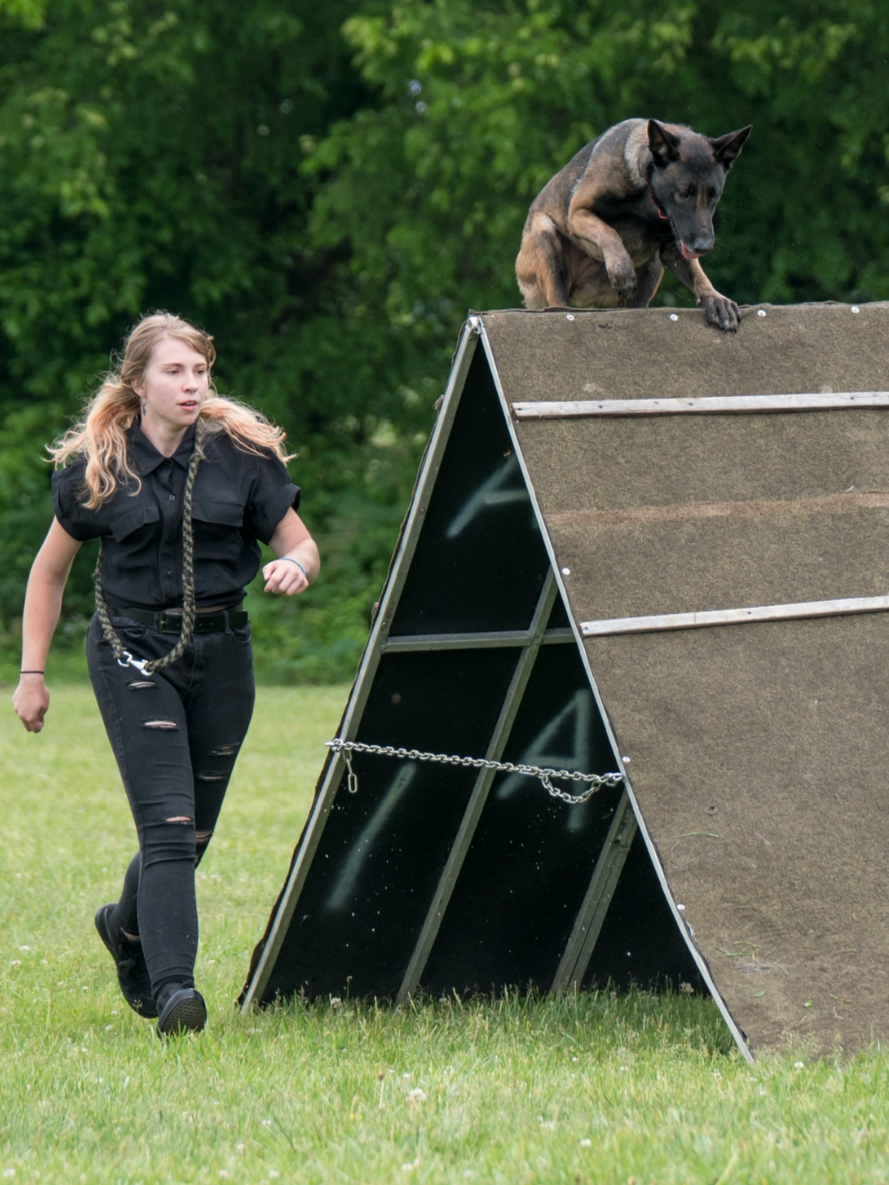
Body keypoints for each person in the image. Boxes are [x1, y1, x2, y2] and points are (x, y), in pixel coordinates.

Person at [12, 311, 320, 1036]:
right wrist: (31, 672)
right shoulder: (101, 464)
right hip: (130, 653)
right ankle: (175, 987)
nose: (191, 384)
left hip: (223, 653)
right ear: (139, 383)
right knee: (169, 827)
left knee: (193, 836)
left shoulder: (241, 454)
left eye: (199, 371)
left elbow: (301, 544)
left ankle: (125, 927)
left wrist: (294, 566)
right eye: (174, 371)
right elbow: (49, 574)